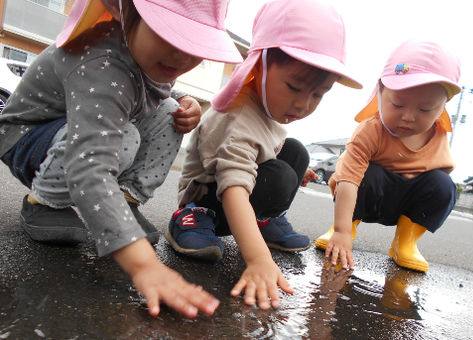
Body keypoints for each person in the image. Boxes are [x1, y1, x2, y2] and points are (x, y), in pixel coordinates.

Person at [0, 0, 242, 318]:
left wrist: (183, 99)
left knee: (170, 114)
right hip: (27, 139)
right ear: (125, 11)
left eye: (194, 44)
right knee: (124, 138)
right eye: (169, 35)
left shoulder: (148, 53)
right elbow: (90, 162)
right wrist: (141, 263)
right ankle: (43, 201)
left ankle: (124, 203)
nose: (182, 56)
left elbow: (155, 88)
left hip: (70, 135)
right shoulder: (100, 60)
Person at [165, 0, 362, 310]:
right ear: (260, 66)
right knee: (281, 175)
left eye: (318, 94)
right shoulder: (240, 115)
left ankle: (263, 221)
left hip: (242, 192)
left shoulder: (272, 109)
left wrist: (301, 171)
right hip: (209, 198)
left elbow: (267, 151)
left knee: (295, 151)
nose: (304, 104)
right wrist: (258, 259)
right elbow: (233, 185)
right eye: (294, 86)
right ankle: (187, 220)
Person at [315, 40, 461, 273]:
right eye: (398, 104)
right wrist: (342, 231)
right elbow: (349, 181)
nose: (408, 117)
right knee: (366, 174)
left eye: (424, 110)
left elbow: (438, 189)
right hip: (364, 197)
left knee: (443, 185)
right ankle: (343, 230)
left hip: (404, 206)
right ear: (381, 91)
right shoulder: (370, 131)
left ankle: (405, 242)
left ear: (444, 105)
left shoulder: (439, 137)